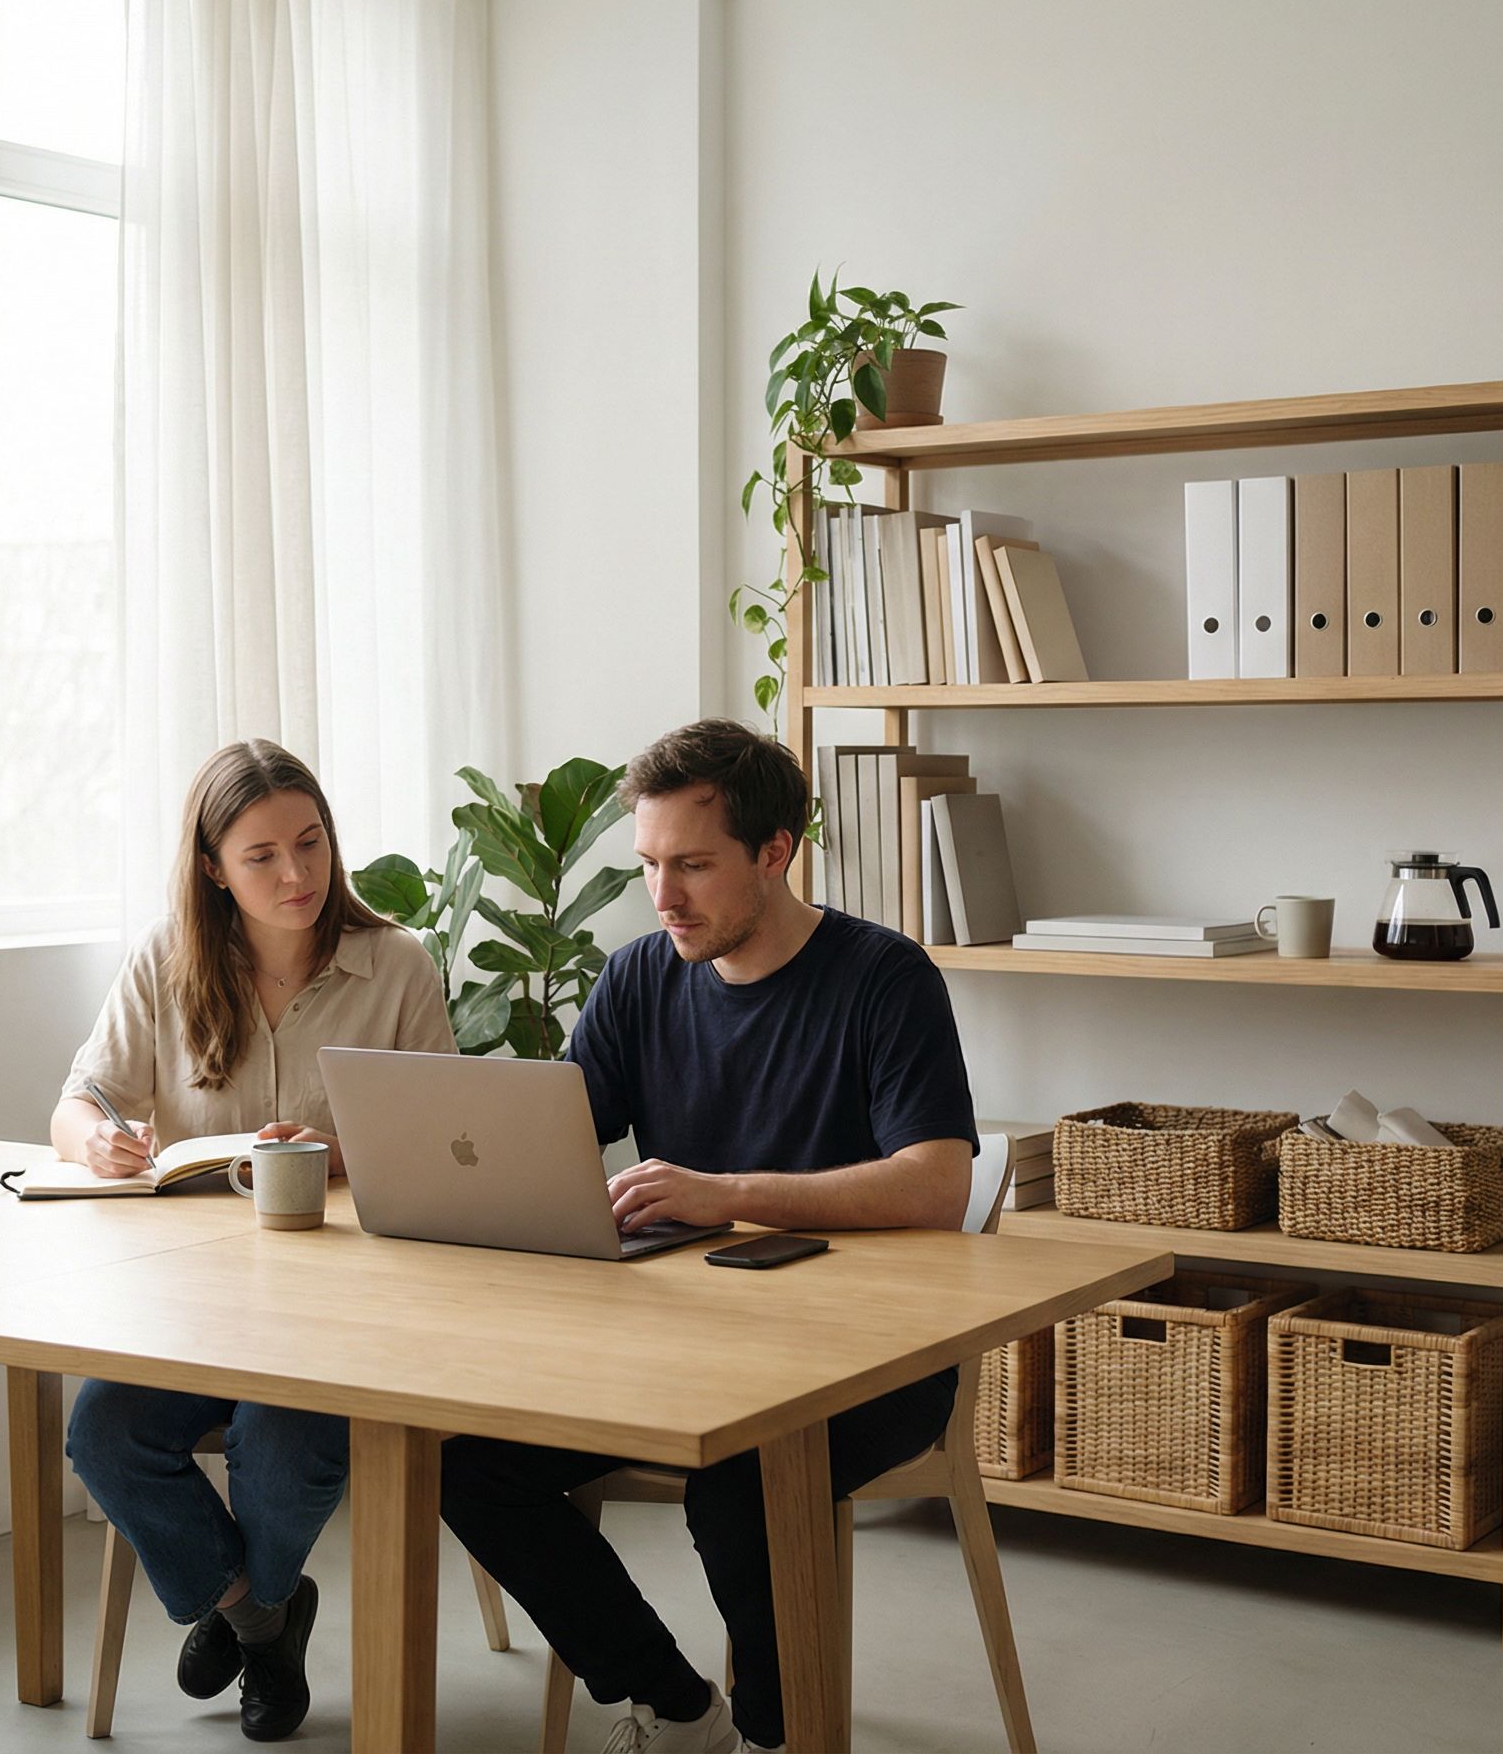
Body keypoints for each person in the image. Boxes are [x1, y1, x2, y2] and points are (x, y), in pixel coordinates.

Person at [440, 719, 977, 1754]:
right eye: (647, 864)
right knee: (468, 1465)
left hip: (869, 1358)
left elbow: (936, 1185)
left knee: (740, 1472)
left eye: (692, 863)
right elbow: (541, 1138)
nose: (663, 894)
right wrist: (371, 1149)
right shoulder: (642, 979)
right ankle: (679, 1707)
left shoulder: (884, 978)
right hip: (682, 1348)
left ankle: (784, 1735)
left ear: (775, 852)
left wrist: (726, 1192)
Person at [55, 738, 455, 1742]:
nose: (297, 875)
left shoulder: (397, 964)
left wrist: (341, 1157)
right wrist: (98, 1139)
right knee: (102, 1432)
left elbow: (451, 1142)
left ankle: (243, 1611)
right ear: (211, 867)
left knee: (279, 1444)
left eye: (312, 843)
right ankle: (262, 1615)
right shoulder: (167, 959)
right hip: (197, 1308)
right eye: (263, 855)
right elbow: (78, 1098)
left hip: (345, 1311)